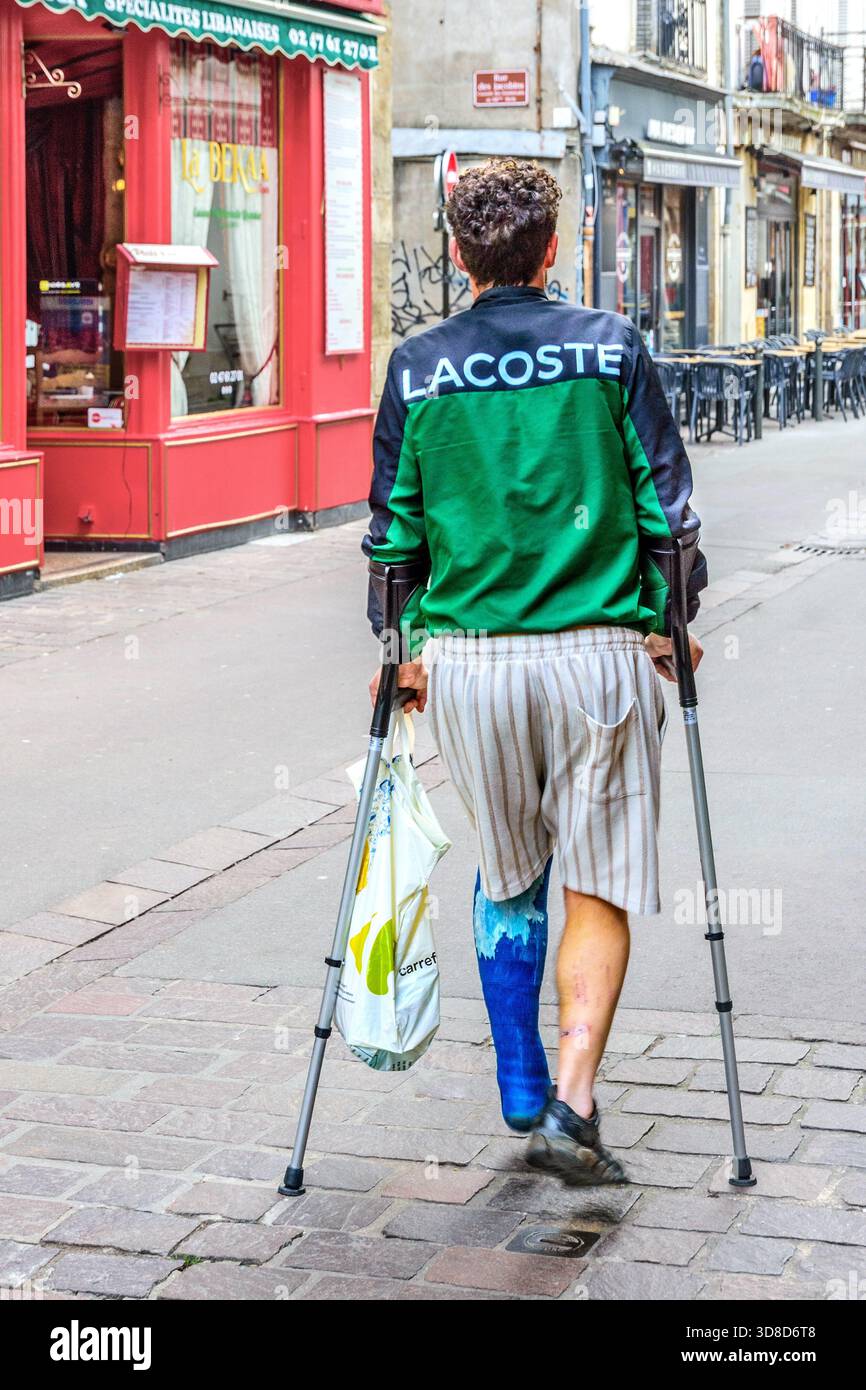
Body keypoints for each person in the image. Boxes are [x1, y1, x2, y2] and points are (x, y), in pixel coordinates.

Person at [363, 159, 706, 1187]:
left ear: (460, 255)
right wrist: (671, 622)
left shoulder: (418, 365)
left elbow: (391, 536)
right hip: (596, 654)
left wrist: (402, 651)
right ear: (551, 249)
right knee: (595, 878)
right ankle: (571, 1095)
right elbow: (666, 510)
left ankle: (517, 1084)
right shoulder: (608, 348)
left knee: (509, 869)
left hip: (469, 664)